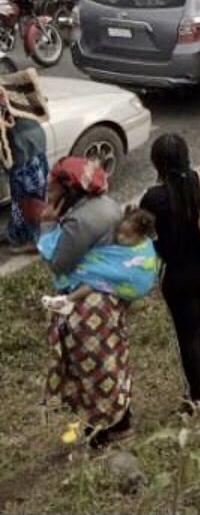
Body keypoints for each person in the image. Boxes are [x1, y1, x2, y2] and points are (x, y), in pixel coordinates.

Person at [38, 158, 132, 446]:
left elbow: (58, 264)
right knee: (114, 361)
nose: (49, 196)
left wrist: (47, 225)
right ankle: (123, 422)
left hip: (87, 306)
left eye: (53, 190)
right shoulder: (108, 205)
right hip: (110, 296)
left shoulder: (78, 221)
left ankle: (99, 434)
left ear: (71, 191)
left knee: (90, 369)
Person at [140, 135, 200, 410]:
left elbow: (142, 231)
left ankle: (197, 396)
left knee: (188, 334)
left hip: (179, 275)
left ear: (157, 162)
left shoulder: (154, 197)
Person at [40, 209, 158, 313]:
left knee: (93, 283)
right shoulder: (123, 245)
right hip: (115, 275)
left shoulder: (143, 250)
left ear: (141, 236)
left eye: (128, 236)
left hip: (132, 282)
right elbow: (107, 255)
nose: (120, 237)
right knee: (96, 277)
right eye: (119, 232)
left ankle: (67, 301)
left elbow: (138, 268)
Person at [1, 95, 48, 251]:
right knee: (20, 200)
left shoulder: (8, 91)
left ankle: (35, 241)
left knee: (30, 201)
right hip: (24, 149)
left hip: (27, 151)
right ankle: (16, 235)